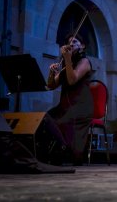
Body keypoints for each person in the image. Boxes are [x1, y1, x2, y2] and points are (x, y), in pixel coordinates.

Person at [45, 33, 94, 166]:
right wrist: (52, 73)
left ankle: (63, 151)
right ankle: (51, 153)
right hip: (65, 106)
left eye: (75, 41)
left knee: (60, 121)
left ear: (82, 46)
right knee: (45, 118)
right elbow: (50, 85)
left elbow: (72, 80)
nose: (71, 44)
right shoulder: (67, 66)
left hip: (80, 107)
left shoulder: (85, 62)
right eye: (69, 42)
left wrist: (66, 58)